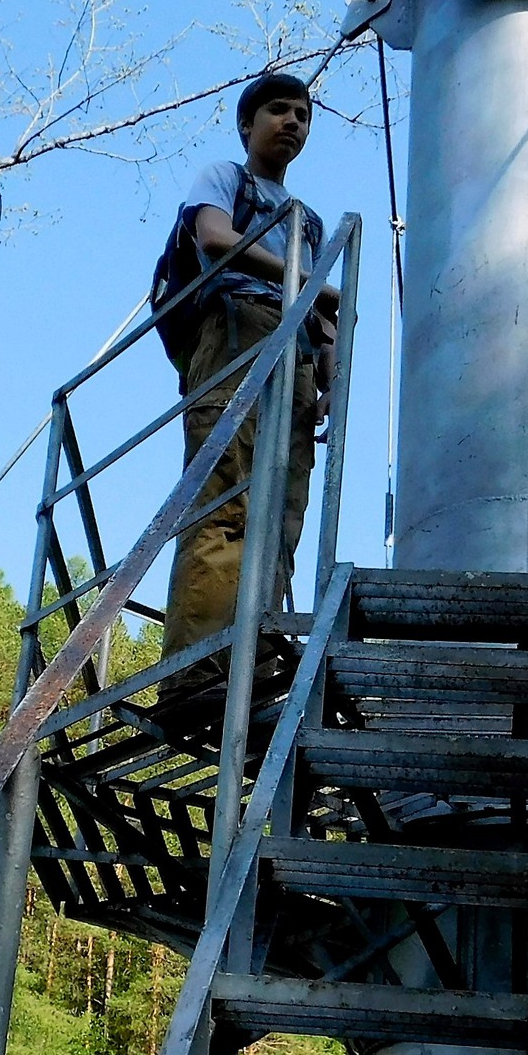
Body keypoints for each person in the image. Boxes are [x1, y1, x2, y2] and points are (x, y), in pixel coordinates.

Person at [159, 70, 335, 685]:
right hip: (240, 329)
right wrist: (306, 283)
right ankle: (199, 666)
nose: (293, 122)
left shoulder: (308, 220)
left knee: (280, 514)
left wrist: (329, 374)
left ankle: (255, 661)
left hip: (298, 357)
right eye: (279, 111)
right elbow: (212, 236)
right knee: (224, 494)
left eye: (303, 115)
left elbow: (322, 312)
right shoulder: (225, 178)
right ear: (246, 125)